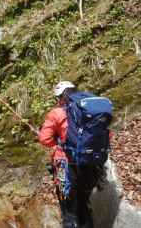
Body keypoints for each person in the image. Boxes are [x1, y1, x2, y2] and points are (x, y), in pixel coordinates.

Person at [39, 81, 106, 228]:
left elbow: (44, 139)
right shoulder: (91, 110)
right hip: (92, 163)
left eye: (57, 98)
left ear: (61, 97)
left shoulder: (56, 113)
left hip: (66, 164)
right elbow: (107, 135)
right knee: (83, 204)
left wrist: (58, 144)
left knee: (68, 208)